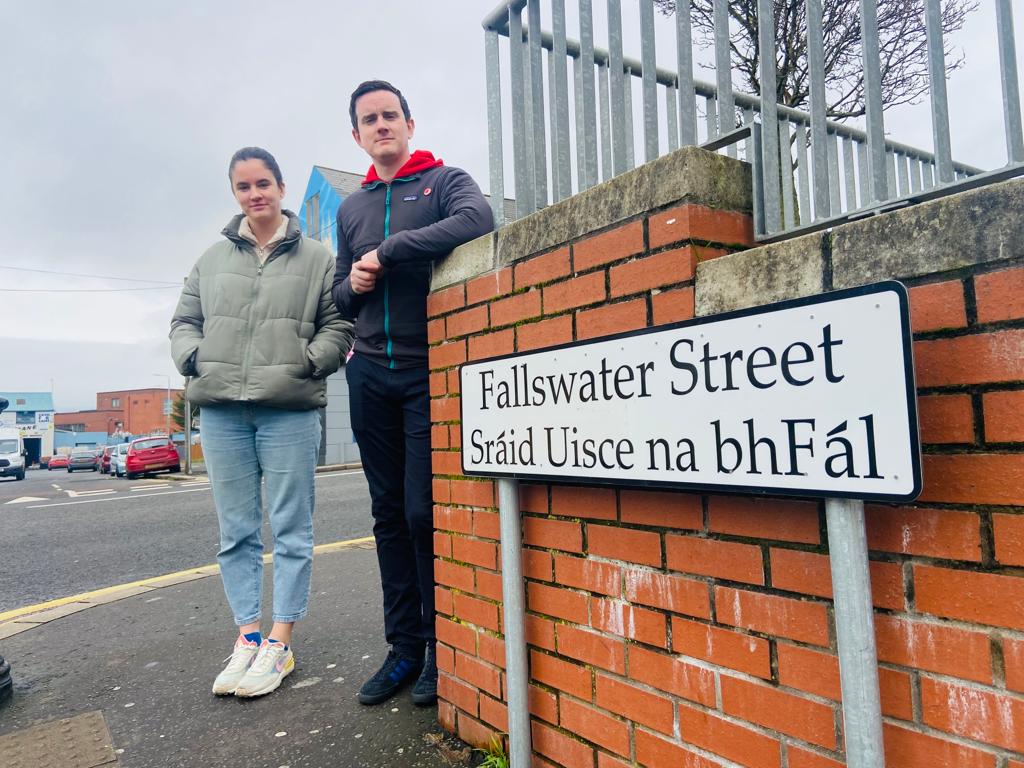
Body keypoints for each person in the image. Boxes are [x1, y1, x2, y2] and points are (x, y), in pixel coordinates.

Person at [170, 147, 353, 698]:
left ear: (280, 186)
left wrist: (308, 362)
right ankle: (247, 636)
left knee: (292, 528)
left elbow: (339, 323)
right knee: (236, 531)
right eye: (245, 186)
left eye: (265, 183)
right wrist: (194, 359)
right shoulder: (210, 259)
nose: (256, 194)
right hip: (222, 409)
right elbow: (184, 320)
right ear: (235, 193)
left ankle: (280, 641)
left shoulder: (319, 257)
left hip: (288, 408)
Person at [333, 80, 493, 706]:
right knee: (385, 516)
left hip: (429, 372)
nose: (380, 126)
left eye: (389, 116)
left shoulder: (444, 181)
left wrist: (390, 252)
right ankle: (403, 649)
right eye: (368, 120)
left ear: (409, 123)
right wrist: (360, 278)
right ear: (356, 136)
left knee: (422, 512)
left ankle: (439, 648)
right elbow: (341, 297)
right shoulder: (352, 208)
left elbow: (477, 220)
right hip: (369, 372)